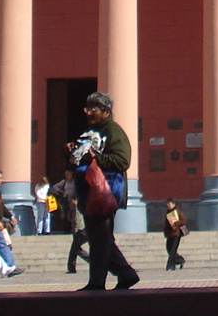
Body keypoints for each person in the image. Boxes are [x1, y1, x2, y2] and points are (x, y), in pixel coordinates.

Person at [73, 90, 140, 291]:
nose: (89, 113)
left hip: (105, 194)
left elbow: (122, 160)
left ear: (106, 111)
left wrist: (95, 158)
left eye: (94, 109)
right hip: (89, 193)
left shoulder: (113, 132)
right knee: (100, 239)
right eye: (88, 108)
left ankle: (100, 282)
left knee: (100, 239)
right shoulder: (89, 133)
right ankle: (125, 275)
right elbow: (78, 161)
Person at [162, 200, 188, 271]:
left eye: (169, 203)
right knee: (169, 249)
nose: (168, 205)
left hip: (176, 234)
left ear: (173, 204)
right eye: (167, 203)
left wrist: (175, 223)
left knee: (173, 250)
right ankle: (180, 260)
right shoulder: (167, 213)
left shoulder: (178, 212)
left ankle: (170, 266)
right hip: (170, 234)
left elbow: (183, 221)